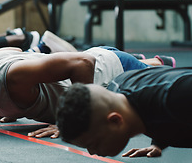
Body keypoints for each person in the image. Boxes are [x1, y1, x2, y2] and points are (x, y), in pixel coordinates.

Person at [0, 46, 170, 138]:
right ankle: (157, 63)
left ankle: (157, 66)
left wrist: (69, 120)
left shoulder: (11, 78)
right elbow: (15, 51)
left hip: (115, 71)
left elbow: (83, 64)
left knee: (172, 97)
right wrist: (7, 107)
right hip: (104, 62)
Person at [56, 67, 192, 158]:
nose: (92, 153)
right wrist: (159, 141)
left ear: (115, 120)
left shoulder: (178, 96)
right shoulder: (117, 91)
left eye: (94, 144)